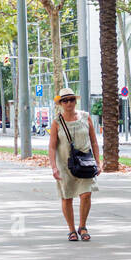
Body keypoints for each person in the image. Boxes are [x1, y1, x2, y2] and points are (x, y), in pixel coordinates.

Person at [48, 90, 101, 241]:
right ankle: (71, 230)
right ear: (61, 104)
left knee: (86, 194)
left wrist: (98, 162)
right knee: (67, 197)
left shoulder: (85, 117)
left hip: (85, 163)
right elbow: (52, 147)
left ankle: (82, 226)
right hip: (64, 164)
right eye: (65, 101)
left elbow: (94, 141)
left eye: (71, 99)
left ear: (75, 101)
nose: (69, 103)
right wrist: (53, 167)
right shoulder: (57, 122)